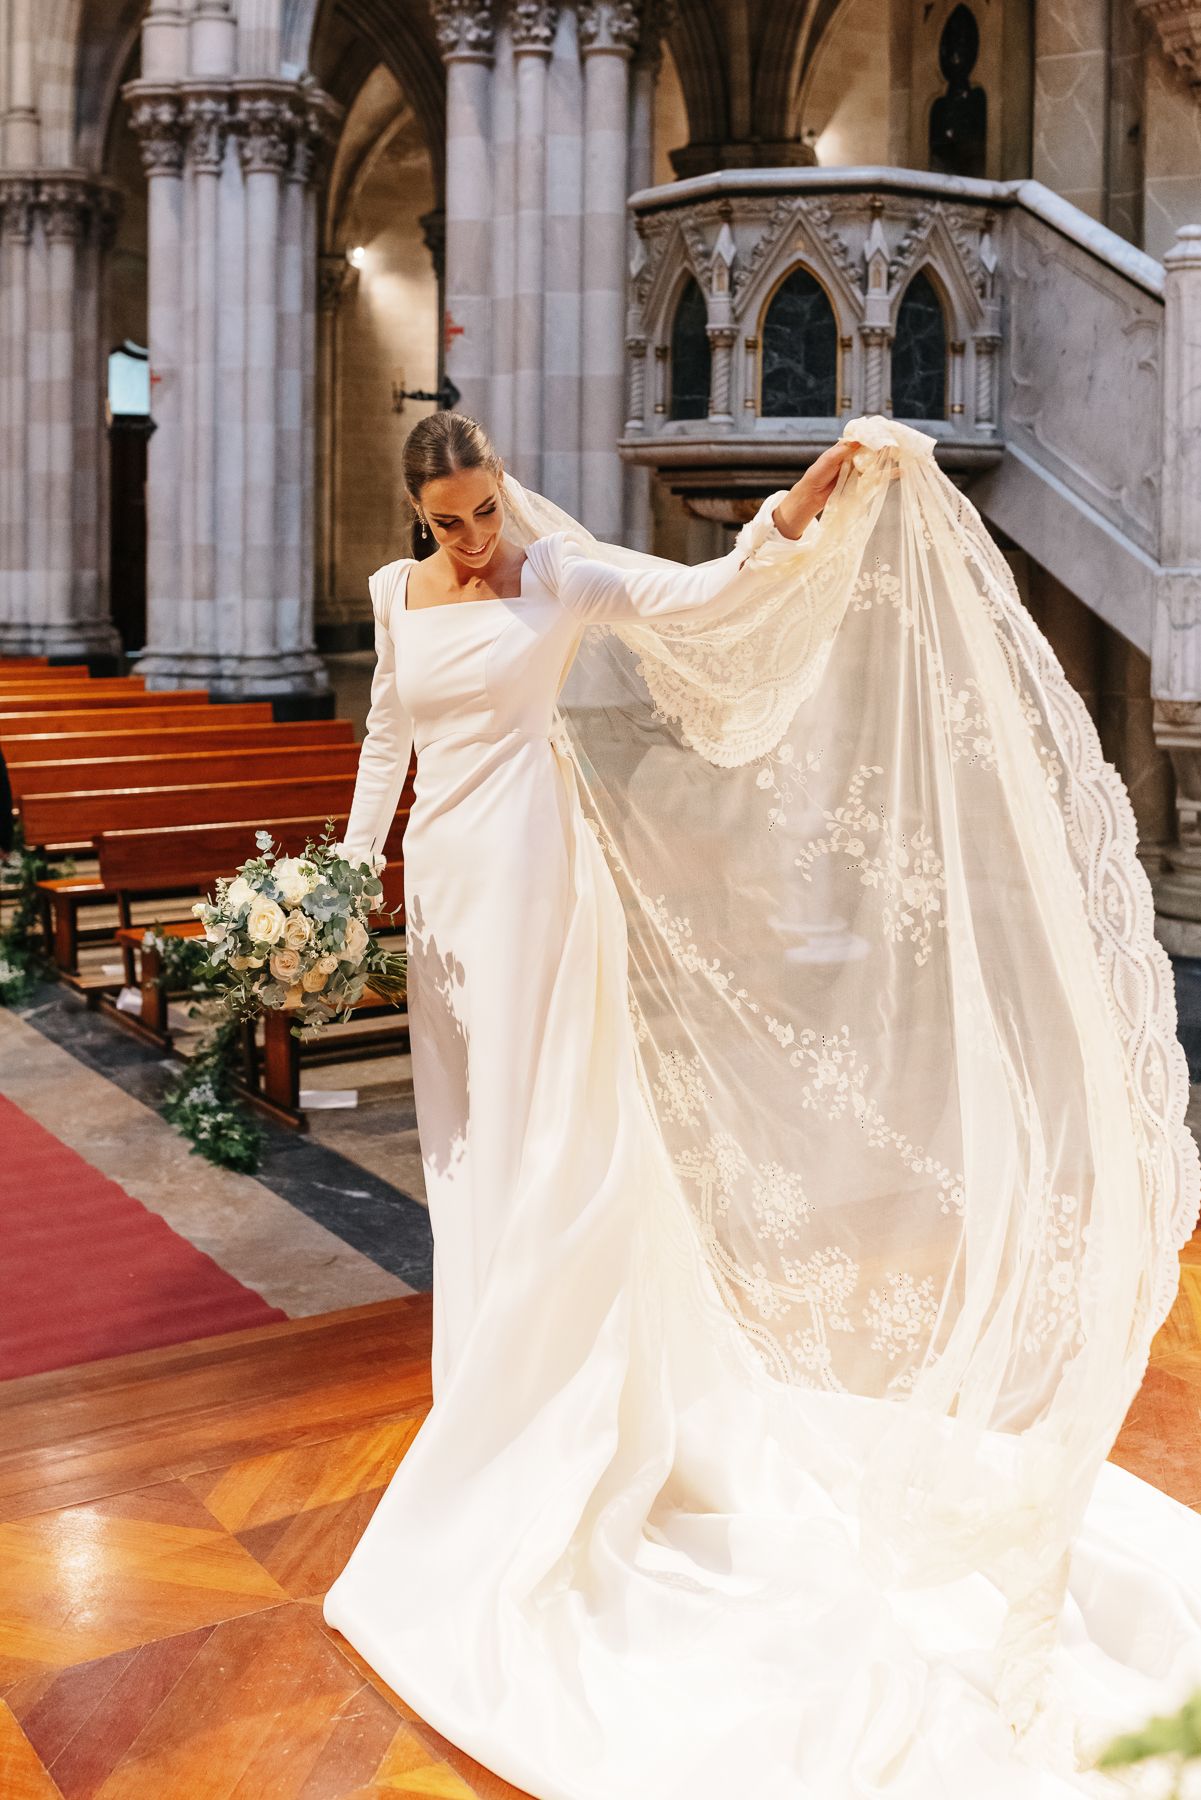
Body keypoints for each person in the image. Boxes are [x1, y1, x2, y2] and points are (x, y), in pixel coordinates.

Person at [322, 410, 1201, 1798]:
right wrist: (342, 874)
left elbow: (708, 594)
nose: (476, 541)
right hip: (443, 903)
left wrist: (810, 496)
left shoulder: (559, 574)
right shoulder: (395, 596)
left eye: (486, 510)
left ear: (504, 490)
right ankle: (485, 1394)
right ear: (415, 515)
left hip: (540, 884)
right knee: (474, 1158)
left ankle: (552, 1429)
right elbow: (389, 741)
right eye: (449, 523)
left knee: (561, 1151)